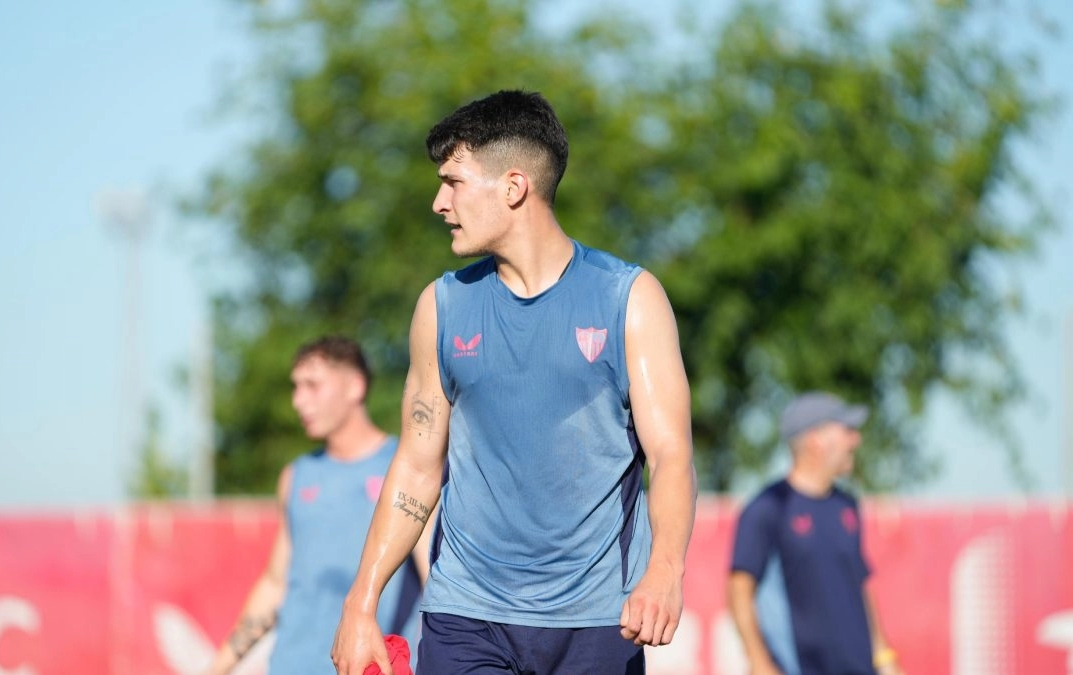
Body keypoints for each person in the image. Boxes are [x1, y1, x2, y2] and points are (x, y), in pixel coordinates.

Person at [330, 90, 698, 675]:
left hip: (598, 619)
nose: (438, 202)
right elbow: (418, 467)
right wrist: (361, 602)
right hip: (465, 616)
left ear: (513, 186)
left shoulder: (628, 299)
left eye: (453, 182)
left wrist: (666, 571)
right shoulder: (442, 307)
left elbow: (671, 454)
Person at [205, 336, 430, 675]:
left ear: (354, 386)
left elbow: (435, 581)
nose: (298, 401)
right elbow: (276, 583)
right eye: (295, 387)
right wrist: (217, 667)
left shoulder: (408, 472)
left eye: (312, 385)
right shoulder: (296, 477)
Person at [727, 391, 904, 675]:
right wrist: (760, 663)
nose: (855, 440)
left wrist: (884, 658)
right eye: (846, 430)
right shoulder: (768, 508)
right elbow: (739, 590)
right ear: (815, 439)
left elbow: (860, 585)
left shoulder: (846, 506)